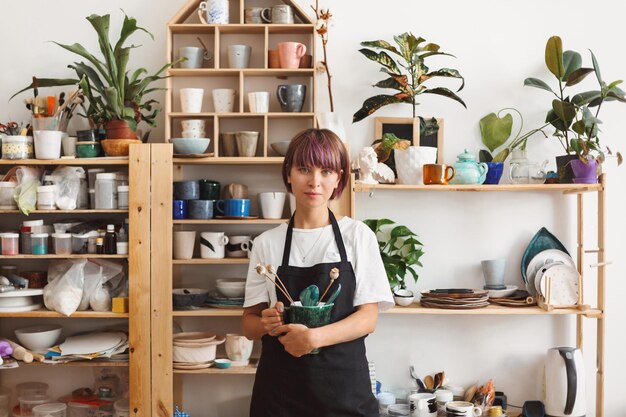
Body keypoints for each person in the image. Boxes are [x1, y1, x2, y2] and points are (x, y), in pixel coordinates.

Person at [242, 128, 394, 417]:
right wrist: (267, 322)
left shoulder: (358, 237)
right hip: (279, 397)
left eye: (326, 171)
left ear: (339, 177)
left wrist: (314, 338)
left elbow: (368, 318)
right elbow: (248, 324)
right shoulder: (266, 243)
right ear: (288, 174)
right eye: (303, 169)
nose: (314, 181)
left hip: (345, 394)